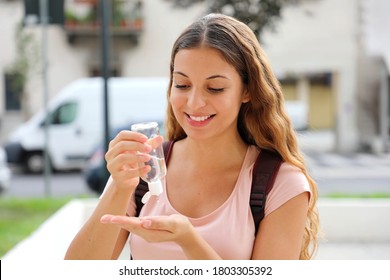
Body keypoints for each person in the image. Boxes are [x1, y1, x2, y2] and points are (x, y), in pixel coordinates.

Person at [65, 13, 319, 260]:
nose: (195, 103)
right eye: (182, 85)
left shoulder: (282, 184)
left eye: (215, 88)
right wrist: (120, 188)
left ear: (247, 91)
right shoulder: (144, 168)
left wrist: (189, 240)